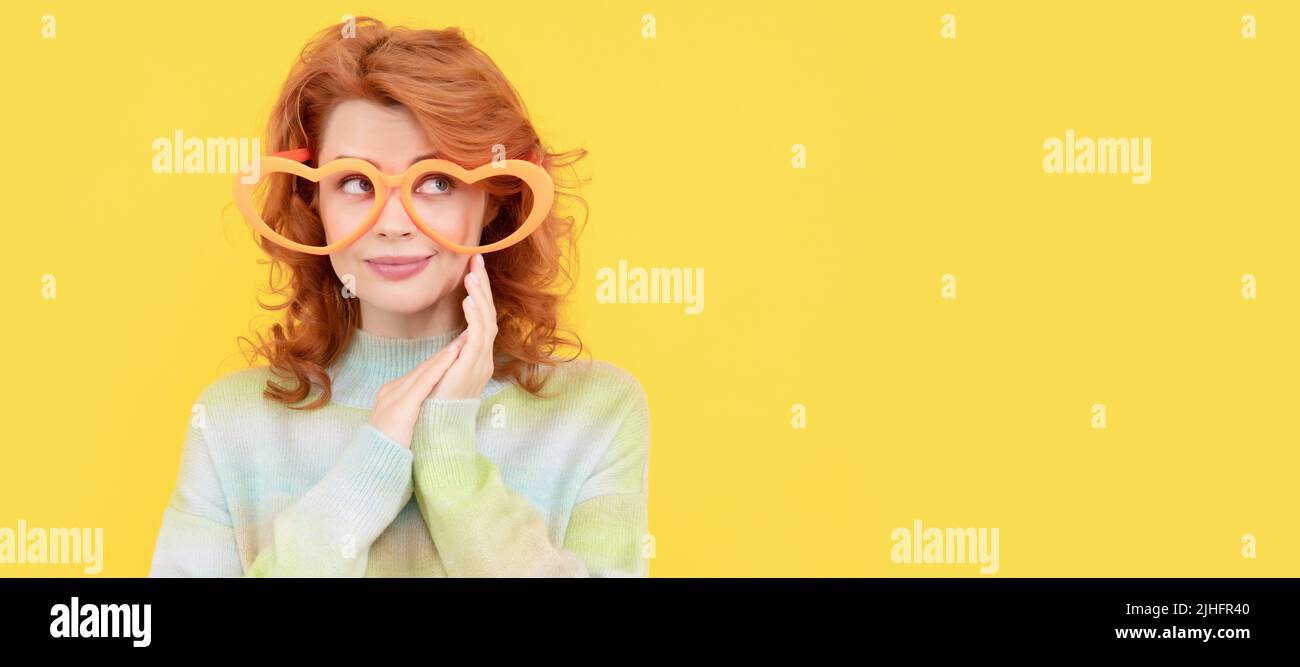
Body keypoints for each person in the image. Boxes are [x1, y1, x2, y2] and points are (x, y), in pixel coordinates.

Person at [148, 17, 651, 577]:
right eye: (356, 183)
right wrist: (368, 471)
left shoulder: (597, 412)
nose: (393, 223)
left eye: (436, 182)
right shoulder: (230, 425)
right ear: (315, 202)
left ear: (493, 200)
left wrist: (450, 462)